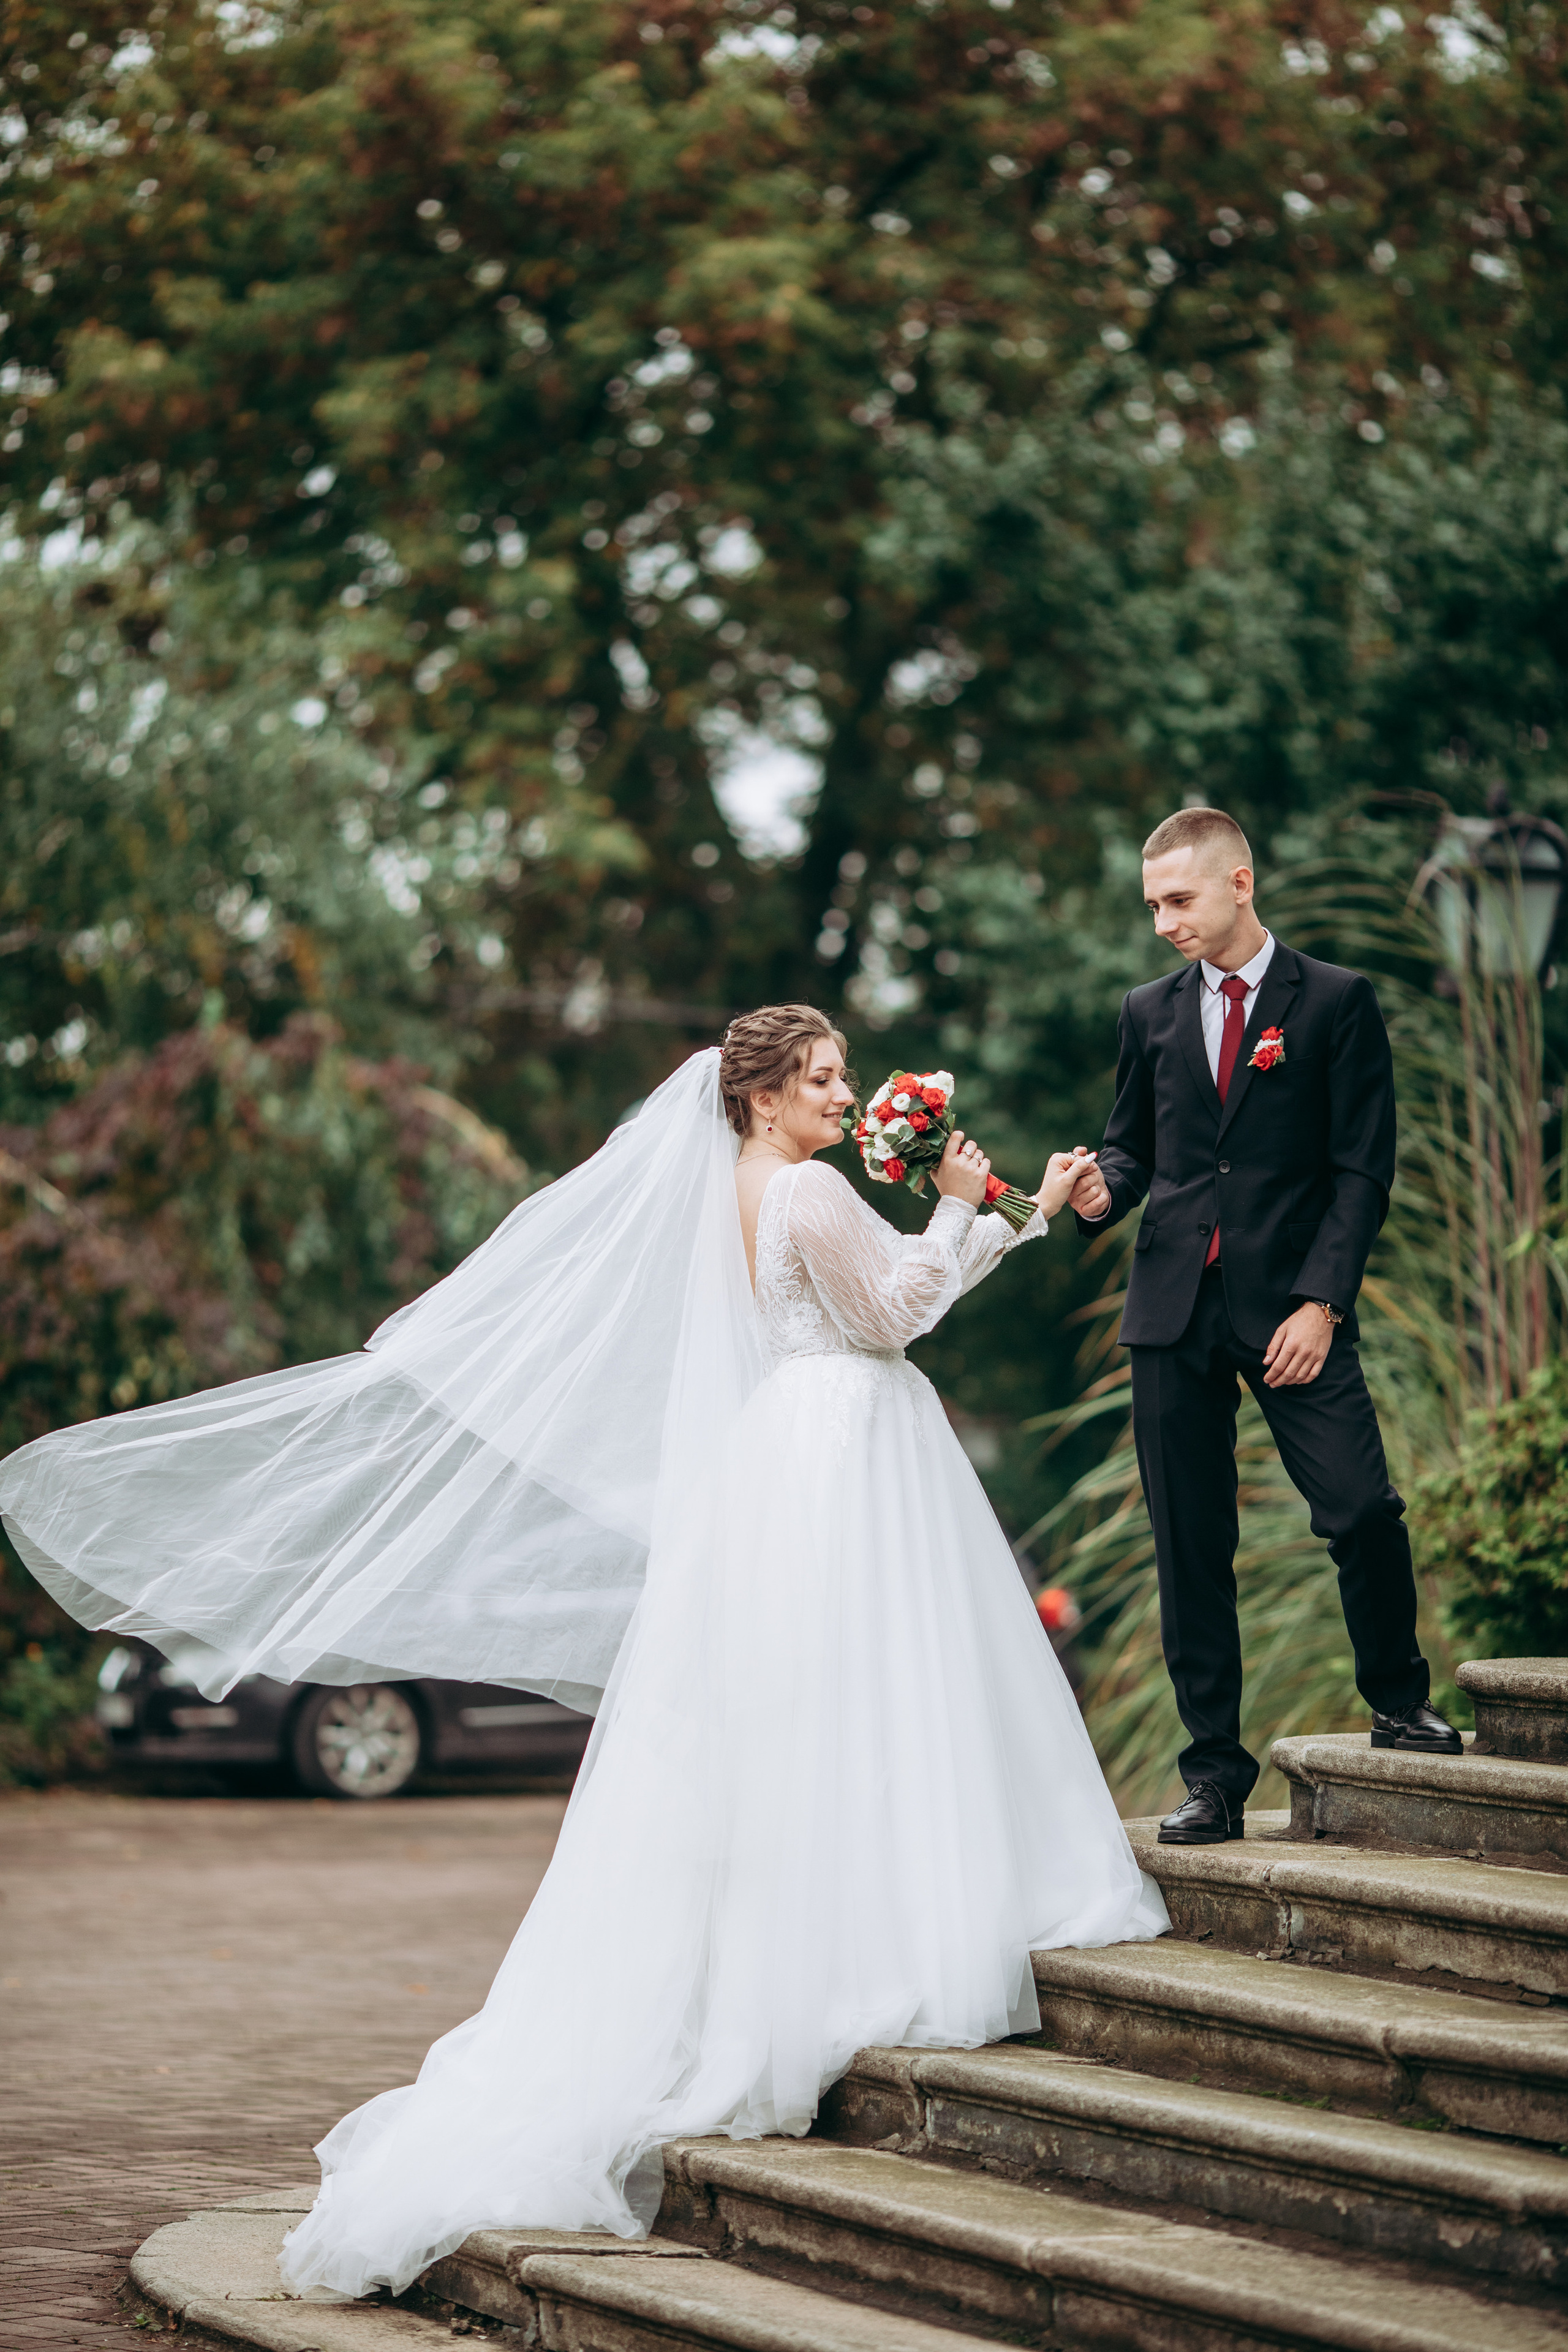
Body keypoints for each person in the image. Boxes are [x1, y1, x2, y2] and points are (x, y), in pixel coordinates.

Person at [0, 1005, 1167, 2301]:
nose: (846, 1096)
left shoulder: (742, 1190)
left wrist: (1012, 1209)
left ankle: (825, 1949)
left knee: (811, 1719)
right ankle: (876, 1952)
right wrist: (966, 1206)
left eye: (846, 1079)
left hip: (794, 1445)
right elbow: (894, 1314)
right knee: (866, 1706)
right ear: (761, 1097)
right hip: (848, 1445)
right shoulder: (807, 1192)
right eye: (822, 1080)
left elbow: (870, 1298)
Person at [1071, 810, 1460, 1850]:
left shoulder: (1335, 1001)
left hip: (1296, 1308)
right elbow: (1131, 1150)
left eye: (1179, 900)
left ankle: (1397, 1696)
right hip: (1171, 1314)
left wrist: (1322, 1305)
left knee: (1361, 1510)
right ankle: (1213, 1779)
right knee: (1191, 1549)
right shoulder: (1146, 1012)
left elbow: (1362, 1168)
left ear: (1240, 883)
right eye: (1152, 904)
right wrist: (1095, 1190)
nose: (1163, 923)